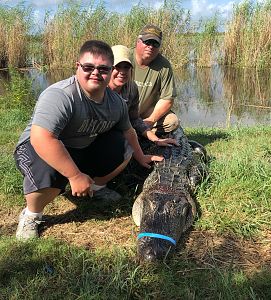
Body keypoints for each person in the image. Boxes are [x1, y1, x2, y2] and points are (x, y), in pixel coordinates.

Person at [14, 40, 163, 240]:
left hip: (80, 148)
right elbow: (42, 138)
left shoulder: (116, 102)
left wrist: (141, 155)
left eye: (102, 69)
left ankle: (96, 187)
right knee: (50, 175)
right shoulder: (61, 95)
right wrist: (74, 176)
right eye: (88, 67)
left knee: (121, 144)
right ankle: (32, 214)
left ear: (109, 71)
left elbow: (128, 131)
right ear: (78, 67)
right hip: (35, 147)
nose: (95, 73)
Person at [109, 44, 178, 147]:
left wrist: (156, 140)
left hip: (123, 128)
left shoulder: (132, 88)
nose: (122, 72)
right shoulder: (99, 89)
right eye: (117, 67)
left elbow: (134, 119)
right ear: (107, 68)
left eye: (126, 67)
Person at [132, 24, 179, 135]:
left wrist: (151, 120)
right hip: (123, 112)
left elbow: (167, 99)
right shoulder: (125, 58)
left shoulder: (164, 65)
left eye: (155, 43)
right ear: (138, 41)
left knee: (172, 122)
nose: (151, 47)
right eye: (147, 42)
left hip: (146, 112)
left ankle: (143, 132)